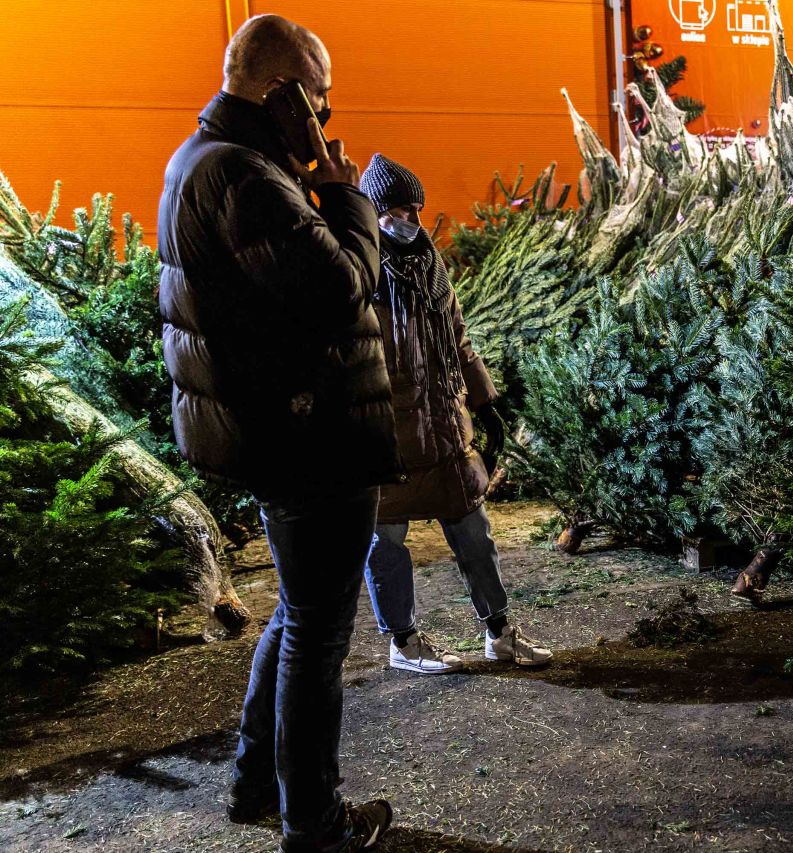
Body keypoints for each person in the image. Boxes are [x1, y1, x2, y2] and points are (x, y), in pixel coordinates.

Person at [158, 14, 396, 851]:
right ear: (280, 90)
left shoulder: (205, 161)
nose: (327, 117)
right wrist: (346, 197)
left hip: (280, 431)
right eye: (319, 97)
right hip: (310, 436)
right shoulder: (249, 177)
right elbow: (342, 289)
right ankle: (315, 824)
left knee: (298, 614)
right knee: (317, 635)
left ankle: (256, 785)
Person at [356, 154, 552, 673]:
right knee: (388, 540)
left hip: (443, 422)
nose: (409, 219)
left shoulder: (430, 266)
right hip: (390, 432)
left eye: (415, 208)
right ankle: (403, 642)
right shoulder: (359, 269)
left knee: (473, 530)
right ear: (374, 211)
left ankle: (500, 632)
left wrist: (485, 402)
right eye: (398, 209)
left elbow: (458, 341)